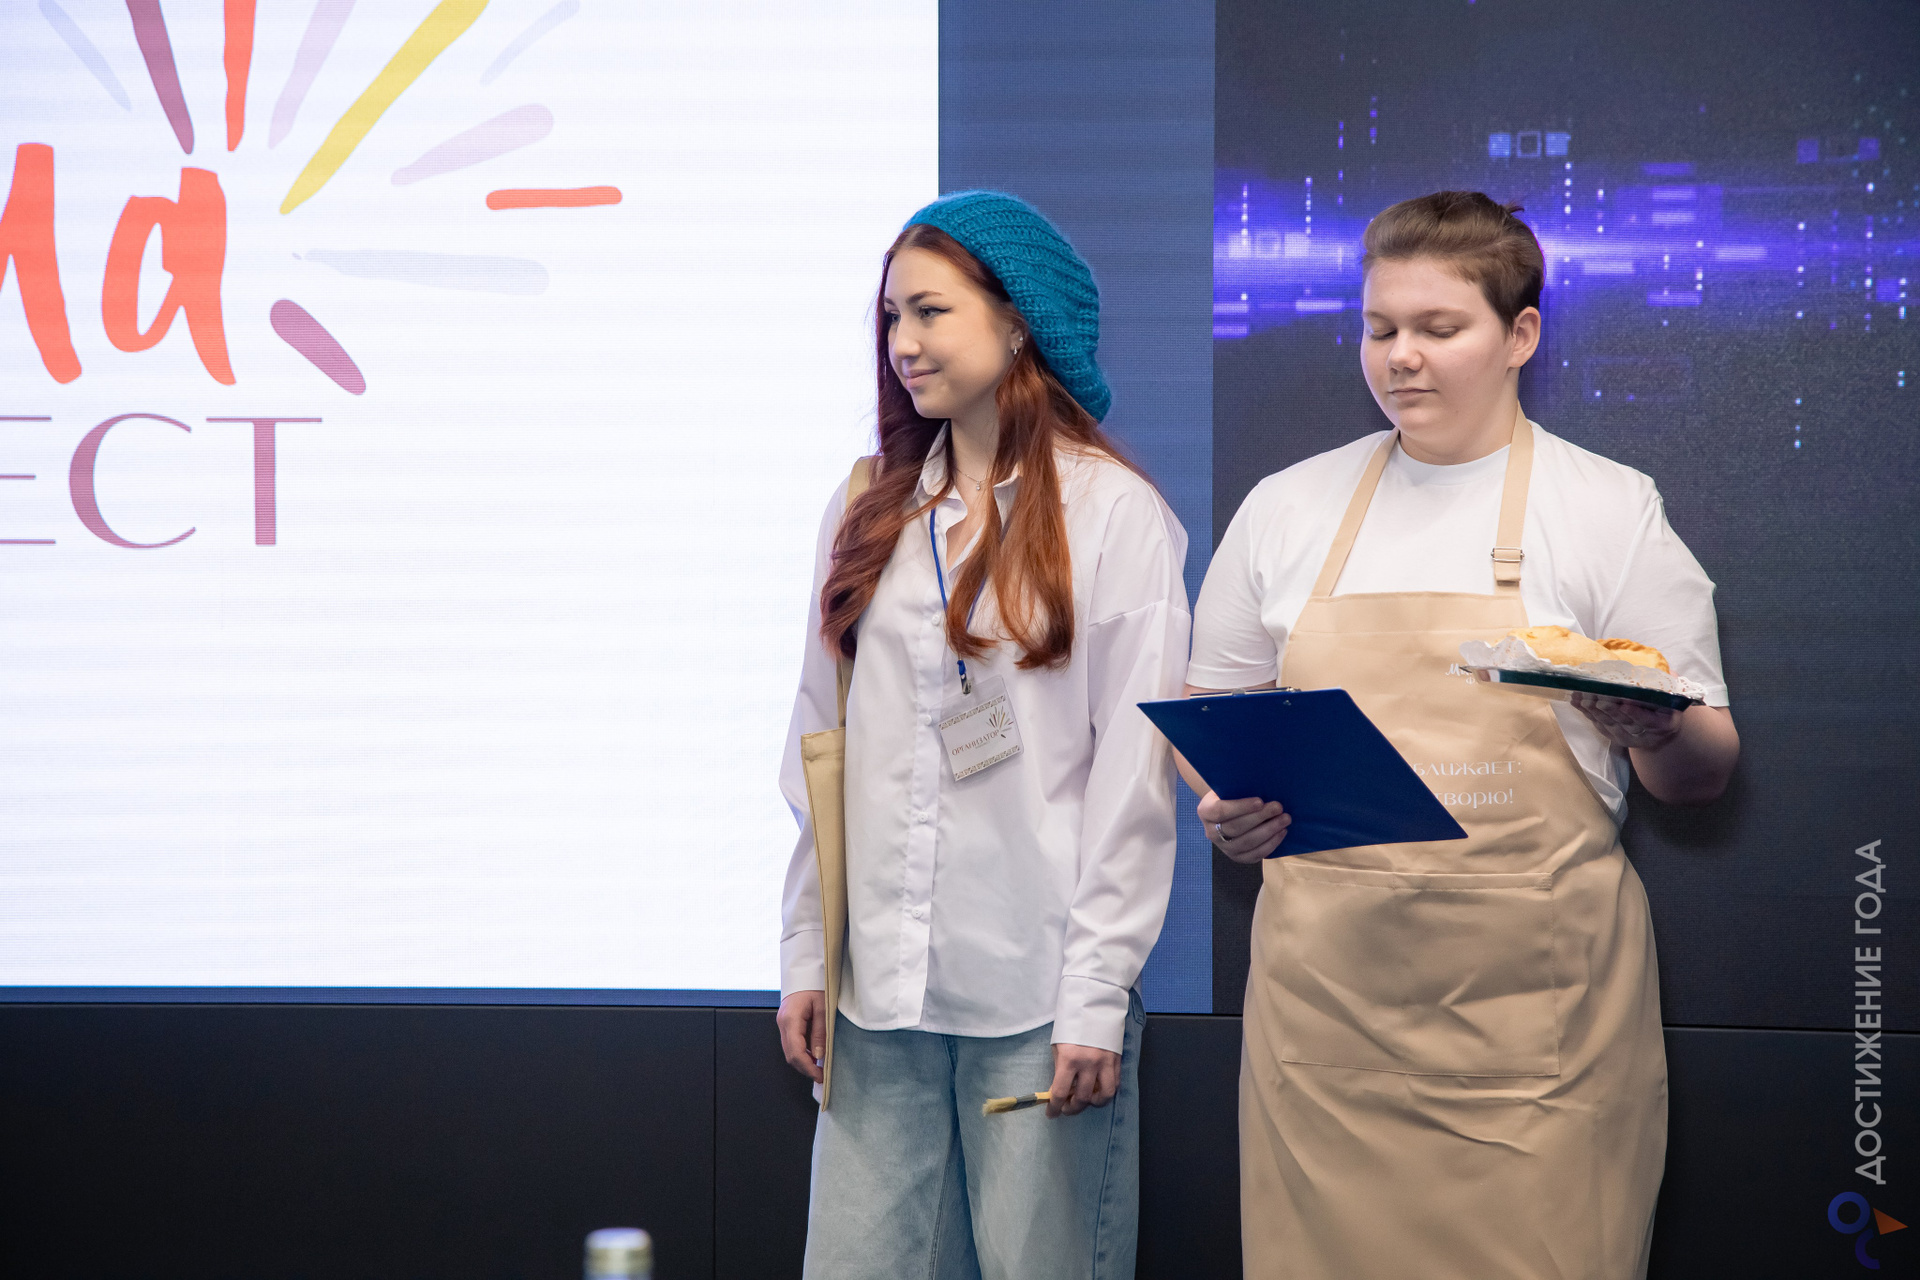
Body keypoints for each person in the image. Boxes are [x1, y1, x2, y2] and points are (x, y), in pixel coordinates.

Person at [1184, 191, 1740, 1279]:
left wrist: (1650, 728)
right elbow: (1211, 716)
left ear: (1520, 334)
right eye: (1381, 328)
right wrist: (1229, 804)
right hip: (1326, 1037)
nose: (1401, 357)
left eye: (1439, 328)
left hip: (1539, 1042)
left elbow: (1703, 770)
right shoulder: (1288, 508)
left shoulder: (1607, 507)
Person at [776, 190, 1190, 1280]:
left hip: (1038, 998)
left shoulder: (1116, 515)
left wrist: (1095, 997)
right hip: (876, 997)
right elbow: (820, 746)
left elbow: (1134, 783)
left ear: (1018, 322)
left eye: (931, 312)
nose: (903, 343)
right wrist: (806, 951)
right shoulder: (867, 507)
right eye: (891, 317)